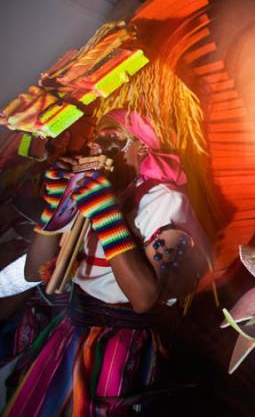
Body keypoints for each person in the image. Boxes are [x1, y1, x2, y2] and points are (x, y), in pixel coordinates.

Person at [4, 109, 208, 416]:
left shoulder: (165, 200)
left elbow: (143, 298)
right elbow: (36, 271)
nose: (96, 144)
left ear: (141, 146)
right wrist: (56, 205)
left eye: (112, 135)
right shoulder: (98, 189)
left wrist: (106, 214)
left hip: (121, 346)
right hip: (69, 331)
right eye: (97, 134)